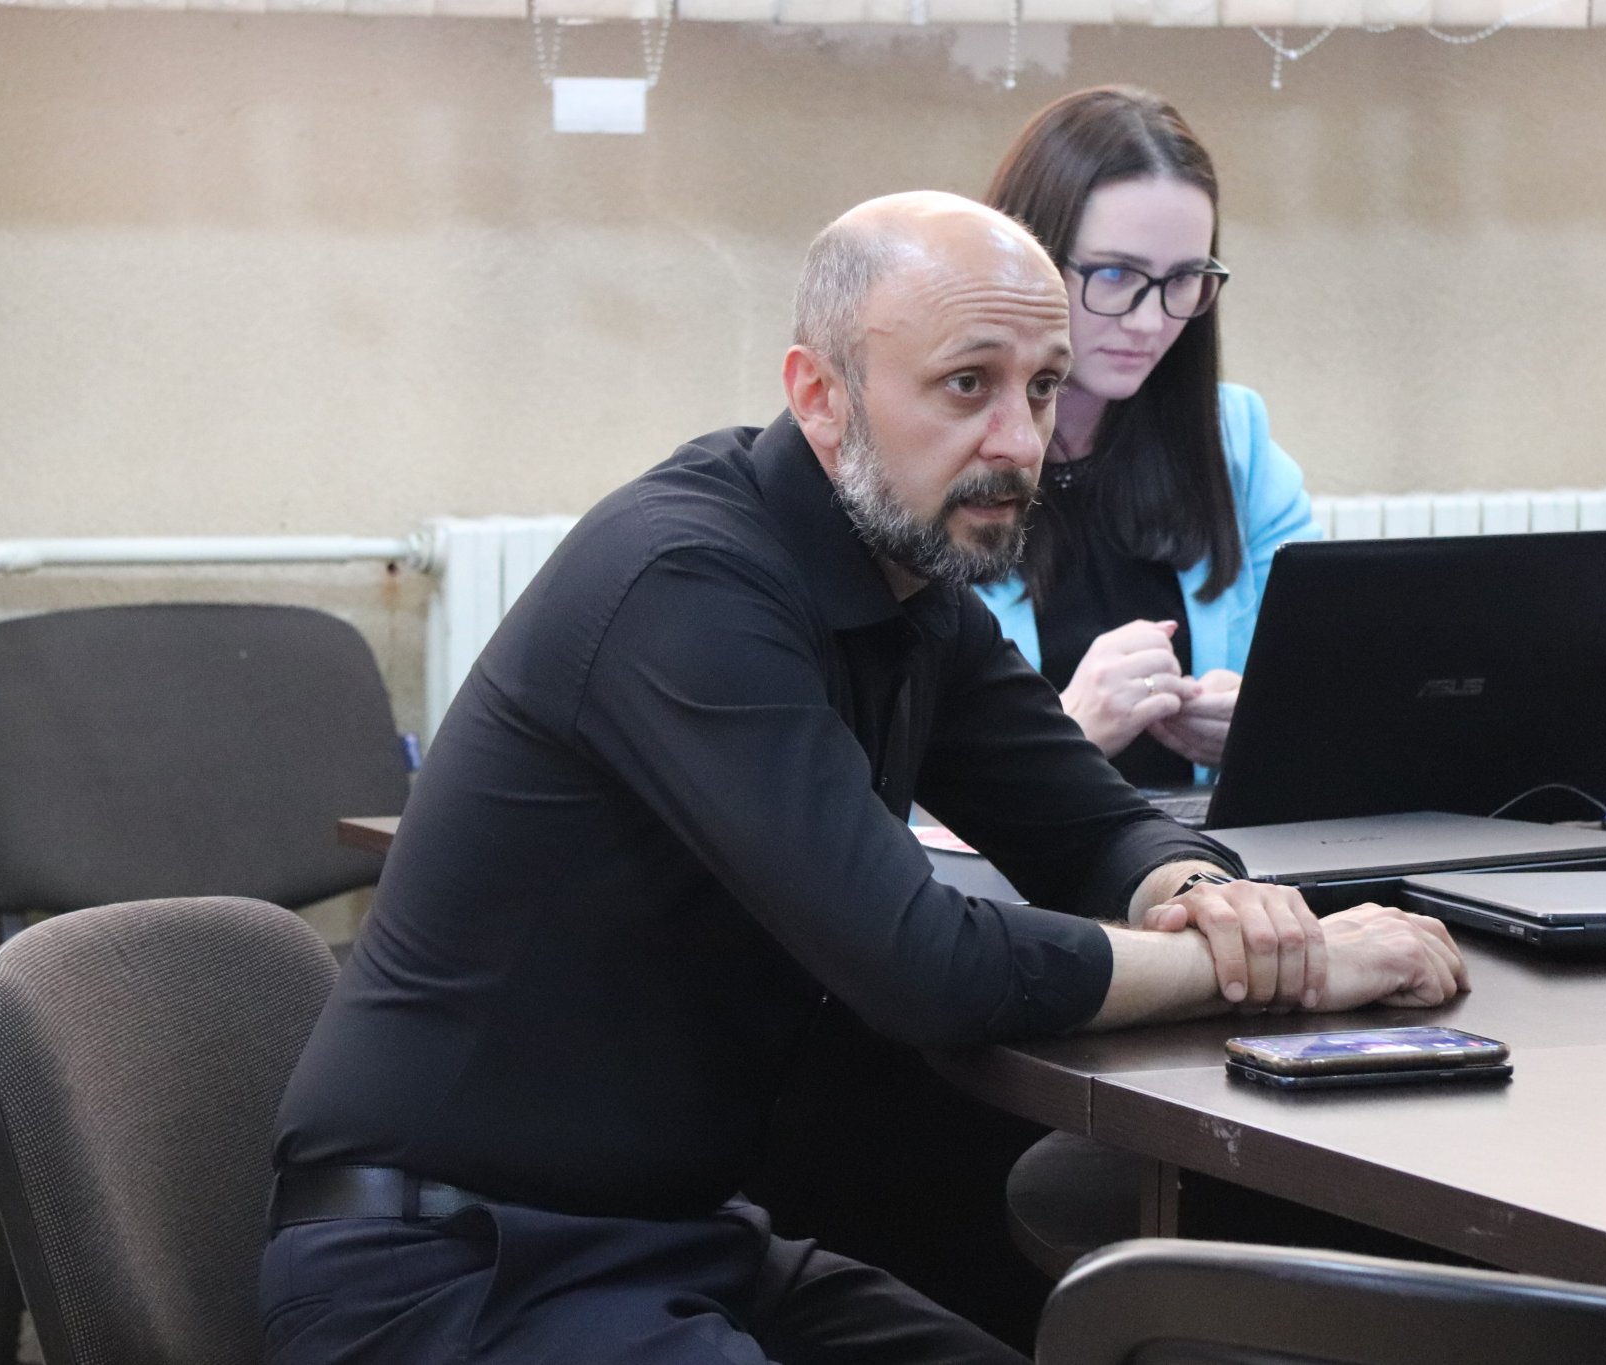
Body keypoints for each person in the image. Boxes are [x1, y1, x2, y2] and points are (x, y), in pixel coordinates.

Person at [263, 191, 1467, 1365]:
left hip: (673, 1241)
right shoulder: (683, 580)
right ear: (819, 396)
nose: (1018, 441)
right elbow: (919, 965)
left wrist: (1203, 894)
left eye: (1040, 387)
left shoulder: (910, 585)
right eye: (966, 384)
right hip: (446, 1272)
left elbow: (1090, 823)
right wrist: (1283, 965)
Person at [979, 85, 1320, 786]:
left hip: (1200, 848)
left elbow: (1329, 686)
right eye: (1114, 274)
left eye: (1184, 279)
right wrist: (1065, 734)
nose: (1150, 321)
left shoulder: (1236, 442)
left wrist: (1267, 727)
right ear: (1028, 261)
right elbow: (882, 786)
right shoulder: (932, 456)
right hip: (1006, 855)